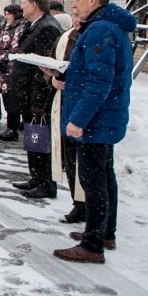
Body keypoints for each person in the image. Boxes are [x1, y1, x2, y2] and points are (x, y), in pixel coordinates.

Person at [53, 0, 136, 264]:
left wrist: (78, 119)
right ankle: (104, 232)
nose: (73, 4)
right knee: (104, 175)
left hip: (95, 120)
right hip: (105, 117)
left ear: (92, 0)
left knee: (94, 181)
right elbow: (91, 73)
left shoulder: (101, 30)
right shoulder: (106, 27)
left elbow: (100, 83)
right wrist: (65, 76)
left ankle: (93, 245)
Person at [10, 0, 63, 199]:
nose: (22, 7)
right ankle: (36, 177)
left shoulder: (47, 27)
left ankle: (46, 182)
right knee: (33, 139)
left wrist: (38, 100)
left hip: (37, 95)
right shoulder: (34, 25)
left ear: (34, 5)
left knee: (40, 140)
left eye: (24, 3)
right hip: (28, 92)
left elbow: (44, 67)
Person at [44, 12, 85, 224]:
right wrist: (53, 79)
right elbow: (51, 66)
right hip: (64, 103)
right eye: (75, 14)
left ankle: (88, 206)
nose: (78, 18)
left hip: (83, 107)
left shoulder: (92, 38)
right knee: (70, 159)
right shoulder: (64, 38)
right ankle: (77, 204)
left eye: (81, 14)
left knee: (83, 162)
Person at [0, 4, 25, 140]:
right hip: (2, 68)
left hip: (11, 68)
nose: (6, 17)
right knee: (6, 98)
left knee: (13, 100)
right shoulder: (5, 27)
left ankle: (13, 128)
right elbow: (0, 45)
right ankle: (11, 126)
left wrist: (1, 59)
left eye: (9, 14)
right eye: (5, 14)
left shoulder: (20, 27)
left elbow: (14, 48)